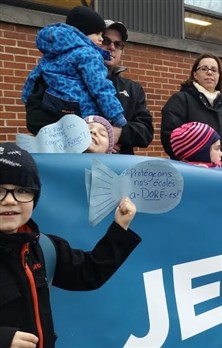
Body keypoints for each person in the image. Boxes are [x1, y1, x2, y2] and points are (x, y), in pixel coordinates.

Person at [0, 142, 141, 348]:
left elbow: (89, 273)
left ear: (34, 197)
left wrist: (120, 227)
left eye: (22, 190)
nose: (10, 200)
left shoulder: (44, 247)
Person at [25, 18, 154, 155]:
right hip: (71, 168)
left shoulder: (132, 88)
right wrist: (84, 132)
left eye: (118, 44)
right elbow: (35, 120)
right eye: (105, 40)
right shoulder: (54, 77)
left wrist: (118, 133)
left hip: (117, 170)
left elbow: (146, 132)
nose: (112, 47)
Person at [21, 6, 127, 128]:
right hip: (81, 111)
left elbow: (34, 75)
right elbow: (100, 87)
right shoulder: (89, 54)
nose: (101, 39)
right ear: (82, 32)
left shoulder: (53, 51)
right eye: (97, 34)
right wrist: (116, 115)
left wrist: (26, 96)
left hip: (51, 106)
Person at [161, 52, 222, 167]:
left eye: (214, 70)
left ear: (219, 76)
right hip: (194, 174)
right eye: (204, 69)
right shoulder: (180, 101)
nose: (209, 72)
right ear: (195, 74)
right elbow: (170, 138)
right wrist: (198, 165)